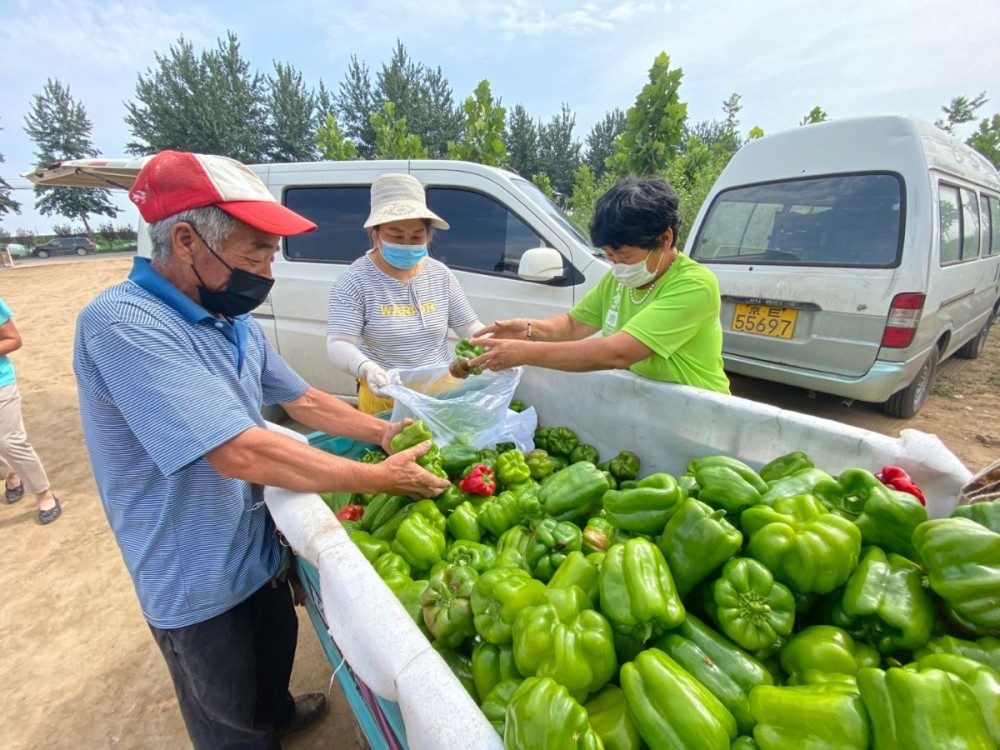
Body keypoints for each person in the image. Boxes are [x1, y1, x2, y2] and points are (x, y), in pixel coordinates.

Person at [73, 150, 451, 750]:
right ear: (187, 240)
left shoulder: (231, 319)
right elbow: (238, 453)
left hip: (250, 539)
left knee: (271, 651)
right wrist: (378, 478)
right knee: (226, 708)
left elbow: (301, 400)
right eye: (256, 251)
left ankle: (275, 712)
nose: (268, 271)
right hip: (190, 566)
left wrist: (382, 434)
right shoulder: (125, 322)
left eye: (271, 253)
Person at [468, 176, 730, 394]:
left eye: (625, 255)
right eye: (609, 255)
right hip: (654, 404)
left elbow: (617, 353)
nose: (616, 264)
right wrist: (528, 328)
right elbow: (574, 325)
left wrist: (524, 353)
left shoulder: (695, 285)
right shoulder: (618, 280)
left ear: (664, 238)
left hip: (700, 410)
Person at [326, 173, 484, 414]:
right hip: (387, 393)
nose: (407, 243)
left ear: (429, 235)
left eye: (417, 236)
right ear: (376, 232)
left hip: (440, 391)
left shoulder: (440, 275)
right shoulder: (355, 281)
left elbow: (468, 325)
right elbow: (338, 343)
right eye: (397, 235)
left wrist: (492, 345)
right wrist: (367, 368)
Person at [0, 298, 61, 524]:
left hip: (1, 383)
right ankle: (12, 474)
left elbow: (13, 339)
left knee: (9, 441)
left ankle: (43, 493)